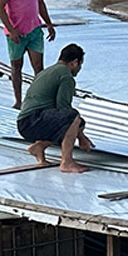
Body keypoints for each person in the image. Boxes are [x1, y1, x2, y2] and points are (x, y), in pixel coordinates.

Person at [16, 43, 93, 173]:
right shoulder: (66, 76)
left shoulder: (48, 71)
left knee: (75, 122)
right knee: (73, 117)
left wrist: (80, 134)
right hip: (33, 121)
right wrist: (82, 137)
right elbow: (65, 109)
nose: (79, 69)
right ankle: (66, 162)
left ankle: (39, 147)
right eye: (80, 65)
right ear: (75, 62)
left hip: (25, 123)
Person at [0, 0, 56, 107]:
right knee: (16, 66)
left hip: (34, 29)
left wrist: (48, 23)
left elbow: (40, 2)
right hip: (16, 32)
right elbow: (0, 7)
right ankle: (18, 100)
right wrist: (11, 29)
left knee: (38, 67)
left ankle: (38, 99)